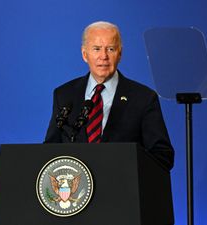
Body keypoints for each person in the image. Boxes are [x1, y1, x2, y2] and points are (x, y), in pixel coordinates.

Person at [44, 21, 174, 171]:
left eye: (110, 49)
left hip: (124, 188)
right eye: (97, 49)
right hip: (78, 190)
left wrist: (125, 169)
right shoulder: (64, 94)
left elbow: (163, 156)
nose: (103, 56)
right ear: (84, 54)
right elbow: (49, 150)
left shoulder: (143, 98)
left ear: (120, 53)